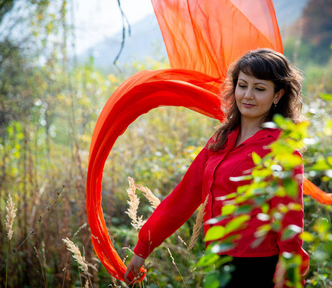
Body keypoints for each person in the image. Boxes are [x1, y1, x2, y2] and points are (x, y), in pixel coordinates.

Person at [124, 48, 309, 287]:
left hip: (260, 268)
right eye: (243, 85)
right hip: (220, 260)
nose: (248, 95)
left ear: (277, 95)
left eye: (259, 88)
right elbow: (183, 197)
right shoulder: (221, 141)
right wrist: (142, 249)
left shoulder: (281, 150)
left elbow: (290, 223)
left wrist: (288, 279)